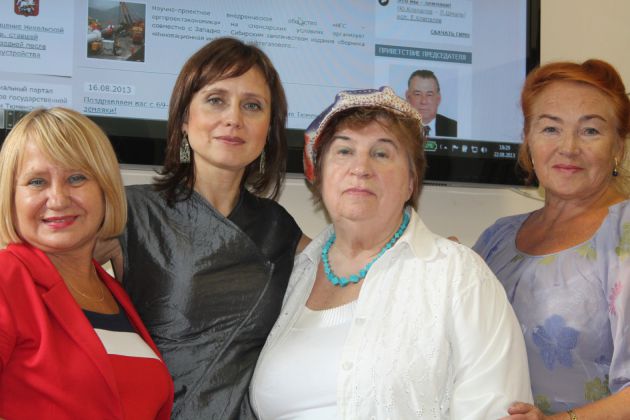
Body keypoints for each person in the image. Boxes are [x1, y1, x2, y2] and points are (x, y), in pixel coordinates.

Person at [250, 86, 532, 419]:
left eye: (382, 153)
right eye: (344, 151)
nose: (360, 167)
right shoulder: (292, 275)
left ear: (412, 181)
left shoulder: (458, 276)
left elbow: (496, 411)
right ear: (319, 174)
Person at [99, 37, 306, 418]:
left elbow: (351, 270)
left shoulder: (280, 229)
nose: (234, 118)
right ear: (184, 118)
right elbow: (41, 270)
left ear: (269, 130)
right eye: (215, 100)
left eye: (252, 105)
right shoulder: (131, 211)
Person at [474, 59, 630, 419]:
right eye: (550, 129)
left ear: (618, 147)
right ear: (528, 139)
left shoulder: (623, 233)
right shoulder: (497, 238)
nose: (568, 147)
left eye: (590, 130)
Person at [0, 107, 173, 419]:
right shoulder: (6, 279)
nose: (58, 199)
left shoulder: (112, 291)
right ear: (10, 198)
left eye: (76, 178)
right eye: (37, 181)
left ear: (106, 189)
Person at [405, 69, 458, 137]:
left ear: (438, 98)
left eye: (429, 94)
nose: (423, 101)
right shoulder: (395, 128)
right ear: (408, 97)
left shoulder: (454, 128)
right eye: (417, 94)